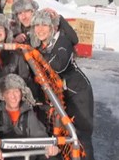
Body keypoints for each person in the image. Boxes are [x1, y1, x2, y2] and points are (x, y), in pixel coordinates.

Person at [29, 10, 95, 160]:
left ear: (53, 27)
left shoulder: (63, 41)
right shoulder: (41, 45)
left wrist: (35, 55)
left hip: (77, 92)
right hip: (59, 93)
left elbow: (58, 65)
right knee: (62, 134)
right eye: (36, 25)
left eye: (44, 25)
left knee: (80, 135)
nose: (40, 29)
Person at [0, 73, 59, 160]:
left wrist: (48, 146)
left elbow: (38, 132)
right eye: (8, 92)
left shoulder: (28, 112)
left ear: (21, 94)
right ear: (2, 96)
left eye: (16, 91)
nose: (13, 96)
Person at [12, 0, 78, 45]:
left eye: (26, 11)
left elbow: (74, 40)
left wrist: (58, 19)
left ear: (33, 11)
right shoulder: (15, 30)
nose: (23, 17)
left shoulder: (48, 22)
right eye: (20, 13)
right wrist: (15, 41)